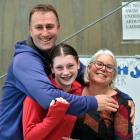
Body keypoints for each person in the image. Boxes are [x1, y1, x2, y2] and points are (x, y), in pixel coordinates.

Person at [0, 4, 134, 140]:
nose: (45, 33)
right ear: (30, 30)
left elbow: (89, 77)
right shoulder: (24, 61)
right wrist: (93, 102)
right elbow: (49, 99)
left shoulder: (57, 55)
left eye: (50, 26)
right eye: (39, 27)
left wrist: (123, 98)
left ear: (58, 28)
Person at [68, 49, 133, 140]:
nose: (103, 69)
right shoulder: (74, 92)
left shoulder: (121, 103)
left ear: (113, 75)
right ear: (89, 68)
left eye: (109, 67)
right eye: (99, 64)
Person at [23, 43, 82, 140]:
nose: (66, 72)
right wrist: (54, 115)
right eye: (59, 67)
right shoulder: (37, 93)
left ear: (78, 64)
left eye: (70, 66)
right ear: (52, 69)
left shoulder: (78, 90)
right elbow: (29, 138)